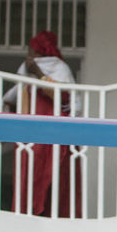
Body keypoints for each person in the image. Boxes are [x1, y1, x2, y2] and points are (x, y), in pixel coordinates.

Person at [14, 31, 80, 217]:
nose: (29, 56)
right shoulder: (26, 74)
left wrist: (39, 74)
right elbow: (14, 97)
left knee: (53, 176)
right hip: (31, 133)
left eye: (32, 51)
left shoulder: (59, 68)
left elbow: (64, 96)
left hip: (54, 131)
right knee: (30, 175)